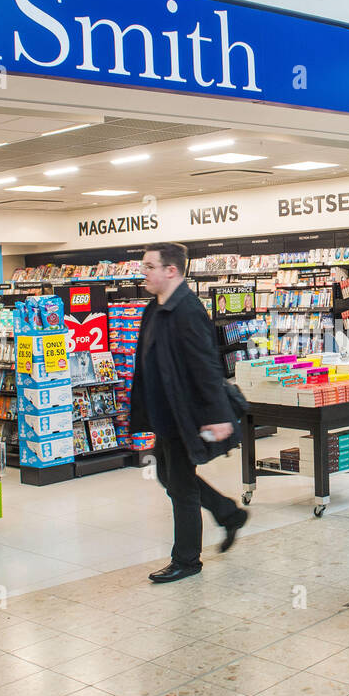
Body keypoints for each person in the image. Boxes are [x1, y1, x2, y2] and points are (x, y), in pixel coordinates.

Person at [131, 241, 248, 583]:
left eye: (149, 267)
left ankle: (187, 560)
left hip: (185, 415)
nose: (144, 274)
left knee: (181, 487)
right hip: (164, 414)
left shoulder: (188, 310)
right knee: (167, 475)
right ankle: (228, 513)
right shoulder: (156, 307)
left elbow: (207, 367)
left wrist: (217, 415)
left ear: (171, 270)